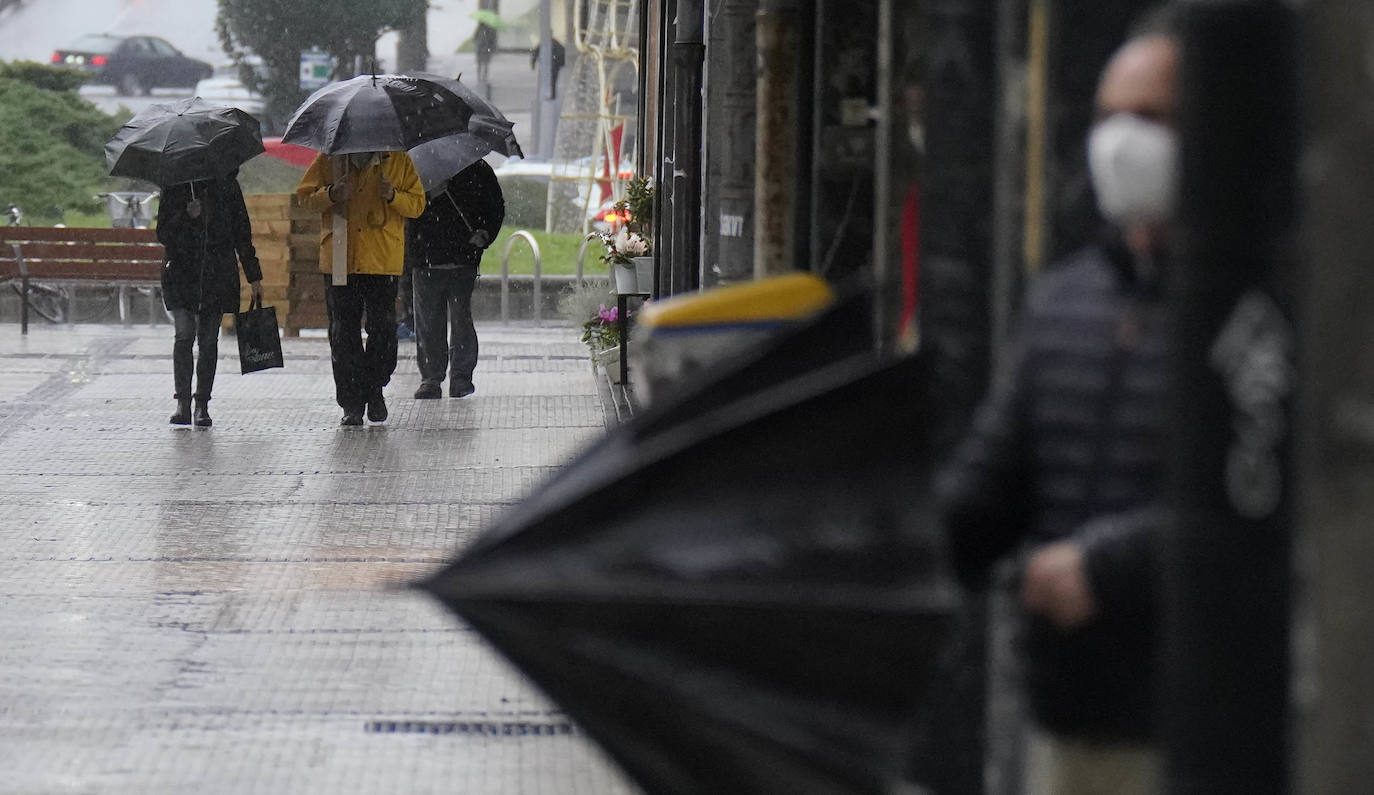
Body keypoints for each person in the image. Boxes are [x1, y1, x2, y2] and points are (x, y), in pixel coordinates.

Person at [935, 22, 1180, 795]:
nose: (1122, 142)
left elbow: (1271, 503)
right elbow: (991, 483)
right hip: (1079, 722)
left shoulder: (1263, 300)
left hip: (1202, 724)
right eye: (1110, 117)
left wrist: (1106, 568)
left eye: (1152, 118)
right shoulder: (1066, 300)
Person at [296, 150, 426, 426]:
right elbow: (305, 199)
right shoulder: (330, 160)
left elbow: (417, 205)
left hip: (382, 260)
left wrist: (393, 196)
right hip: (341, 261)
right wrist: (331, 194)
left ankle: (374, 388)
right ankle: (352, 403)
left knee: (383, 330)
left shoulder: (398, 160)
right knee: (344, 334)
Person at [156, 172, 263, 427]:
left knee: (207, 340)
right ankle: (182, 401)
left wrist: (254, 276)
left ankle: (202, 403)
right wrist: (187, 216)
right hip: (181, 273)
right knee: (184, 335)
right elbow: (162, 232)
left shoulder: (227, 185)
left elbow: (242, 234)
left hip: (216, 275)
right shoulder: (175, 183)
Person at [407, 159, 504, 399]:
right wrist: (428, 195)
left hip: (463, 256)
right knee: (428, 320)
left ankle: (461, 376)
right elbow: (406, 208)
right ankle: (431, 377)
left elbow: (494, 206)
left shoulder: (477, 169)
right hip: (425, 254)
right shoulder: (417, 169)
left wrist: (485, 233)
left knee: (461, 318)